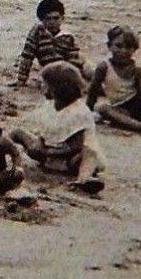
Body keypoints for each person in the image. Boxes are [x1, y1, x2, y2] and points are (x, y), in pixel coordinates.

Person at [11, 62, 106, 194]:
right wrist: (39, 144)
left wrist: (47, 152)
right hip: (51, 152)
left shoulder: (79, 112)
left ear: (57, 88)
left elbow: (75, 146)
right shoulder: (49, 106)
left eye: (45, 84)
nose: (42, 87)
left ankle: (85, 178)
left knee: (88, 154)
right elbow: (44, 132)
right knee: (17, 133)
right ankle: (4, 157)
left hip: (70, 157)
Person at [86, 25, 141, 136]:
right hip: (122, 109)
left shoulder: (137, 70)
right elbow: (93, 90)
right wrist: (87, 111)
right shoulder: (104, 67)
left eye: (129, 47)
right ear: (109, 46)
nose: (123, 51)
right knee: (103, 109)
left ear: (134, 49)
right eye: (118, 46)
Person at [13, 0, 84, 86]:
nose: (52, 22)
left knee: (86, 67)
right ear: (41, 20)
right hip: (48, 72)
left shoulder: (68, 37)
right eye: (48, 18)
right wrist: (21, 80)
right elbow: (27, 56)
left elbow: (74, 60)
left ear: (62, 18)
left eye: (56, 18)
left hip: (66, 71)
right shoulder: (37, 32)